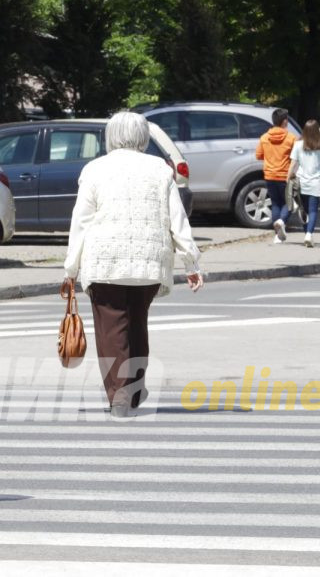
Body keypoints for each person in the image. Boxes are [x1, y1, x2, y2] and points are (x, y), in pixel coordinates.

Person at [64, 112, 203, 418]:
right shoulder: (160, 169)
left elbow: (81, 221)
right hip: (148, 264)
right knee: (137, 323)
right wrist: (190, 261)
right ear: (143, 136)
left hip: (105, 262)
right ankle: (136, 388)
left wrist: (71, 268)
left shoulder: (95, 169)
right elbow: (177, 219)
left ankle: (120, 394)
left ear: (110, 136)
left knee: (112, 327)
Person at [256, 108, 298, 243]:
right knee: (289, 203)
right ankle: (281, 221)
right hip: (285, 176)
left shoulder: (264, 137)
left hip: (269, 175)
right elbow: (296, 157)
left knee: (275, 204)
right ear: (285, 121)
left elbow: (259, 155)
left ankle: (278, 236)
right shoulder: (291, 138)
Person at [287, 120, 320, 247]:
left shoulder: (298, 145)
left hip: (301, 182)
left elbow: (293, 164)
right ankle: (309, 234)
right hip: (315, 183)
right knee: (313, 211)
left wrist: (288, 177)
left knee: (303, 210)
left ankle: (306, 234)